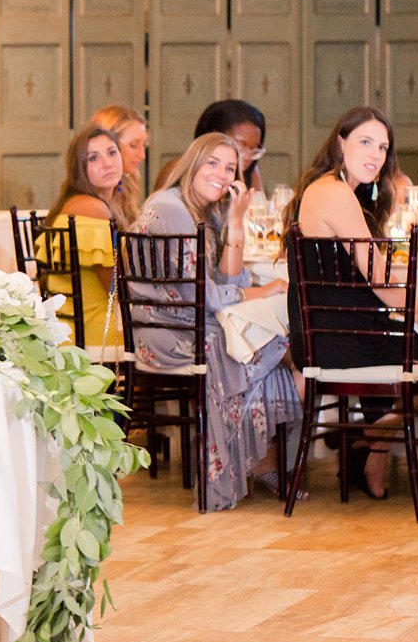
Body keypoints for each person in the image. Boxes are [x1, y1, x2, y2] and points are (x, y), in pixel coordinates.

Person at [283, 105, 418, 499]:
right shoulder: (333, 193)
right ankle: (372, 437)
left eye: (382, 148)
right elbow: (383, 282)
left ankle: (368, 447)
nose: (375, 155)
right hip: (341, 340)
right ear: (340, 143)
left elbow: (388, 281)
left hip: (336, 334)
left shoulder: (334, 190)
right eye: (365, 142)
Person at [130, 132, 301, 510]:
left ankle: (256, 459)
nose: (222, 175)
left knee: (275, 344)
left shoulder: (201, 213)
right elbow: (207, 296)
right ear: (192, 163)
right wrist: (263, 291)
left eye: (230, 168)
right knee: (269, 345)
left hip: (189, 325)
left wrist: (236, 221)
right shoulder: (170, 207)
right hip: (165, 334)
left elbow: (228, 281)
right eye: (213, 163)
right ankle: (256, 460)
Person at [43, 125, 130, 350]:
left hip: (70, 328)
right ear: (79, 168)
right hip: (94, 332)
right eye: (93, 158)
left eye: (112, 152)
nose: (107, 163)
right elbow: (116, 288)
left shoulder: (78, 202)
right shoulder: (92, 209)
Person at [87, 104, 146, 227]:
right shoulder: (91, 202)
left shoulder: (129, 179)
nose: (142, 155)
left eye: (144, 145)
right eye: (133, 145)